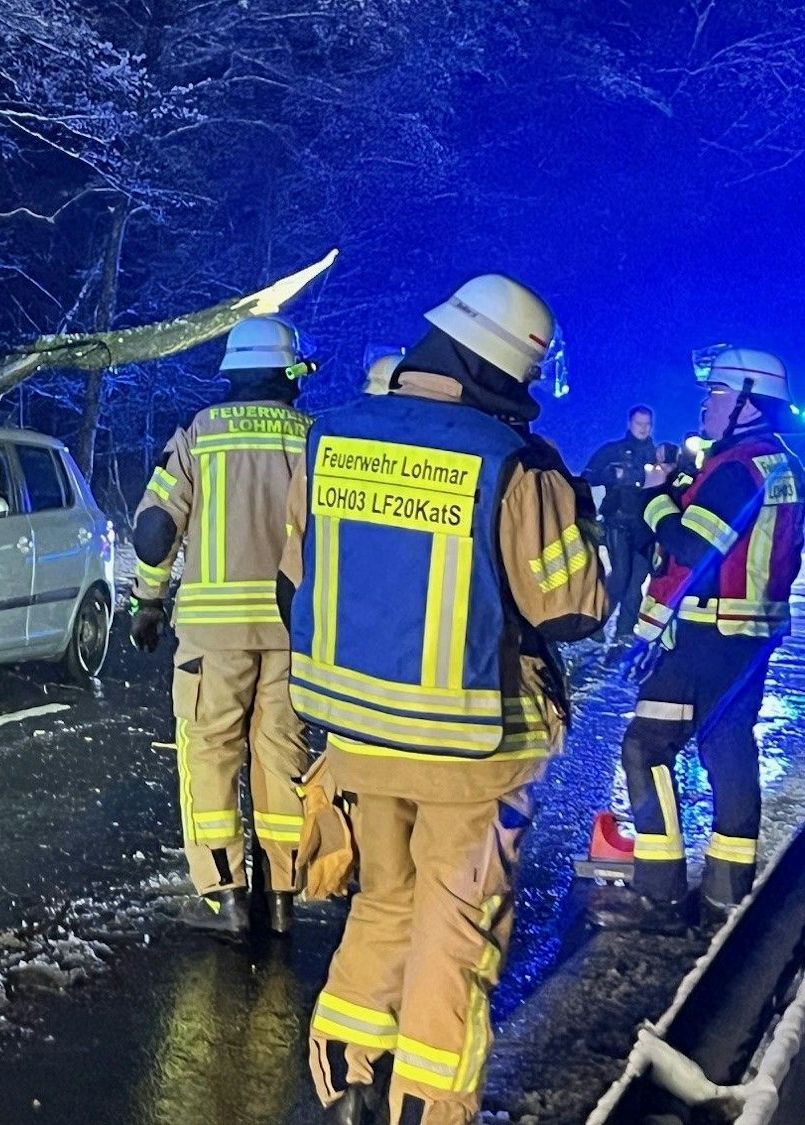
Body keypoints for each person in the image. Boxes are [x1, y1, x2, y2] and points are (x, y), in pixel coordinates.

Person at [283, 275, 606, 1125]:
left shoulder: (333, 438)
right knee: (455, 928)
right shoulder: (513, 464)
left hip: (352, 737)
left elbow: (296, 578)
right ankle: (427, 1105)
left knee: (384, 902)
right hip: (474, 747)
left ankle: (350, 1079)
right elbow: (570, 607)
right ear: (504, 368)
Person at [590, 348, 802, 931]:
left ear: (748, 402)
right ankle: (725, 898)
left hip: (707, 638)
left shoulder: (737, 468)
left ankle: (659, 897)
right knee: (728, 751)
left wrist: (657, 497)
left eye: (715, 394)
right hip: (747, 638)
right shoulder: (780, 462)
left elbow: (692, 548)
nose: (706, 404)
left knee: (647, 746)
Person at [128, 315, 315, 936]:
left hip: (211, 637)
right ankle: (284, 896)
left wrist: (148, 603)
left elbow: (155, 529)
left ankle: (227, 899)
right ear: (288, 372)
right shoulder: (313, 439)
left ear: (232, 372)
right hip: (294, 636)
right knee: (283, 757)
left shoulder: (199, 435)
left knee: (210, 757)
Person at [584, 405, 658, 640]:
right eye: (639, 424)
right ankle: (595, 626)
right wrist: (614, 476)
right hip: (618, 524)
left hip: (645, 528)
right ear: (629, 423)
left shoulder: (657, 454)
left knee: (636, 581)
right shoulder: (612, 451)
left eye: (647, 424)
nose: (643, 429)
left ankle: (624, 633)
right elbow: (588, 476)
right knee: (620, 578)